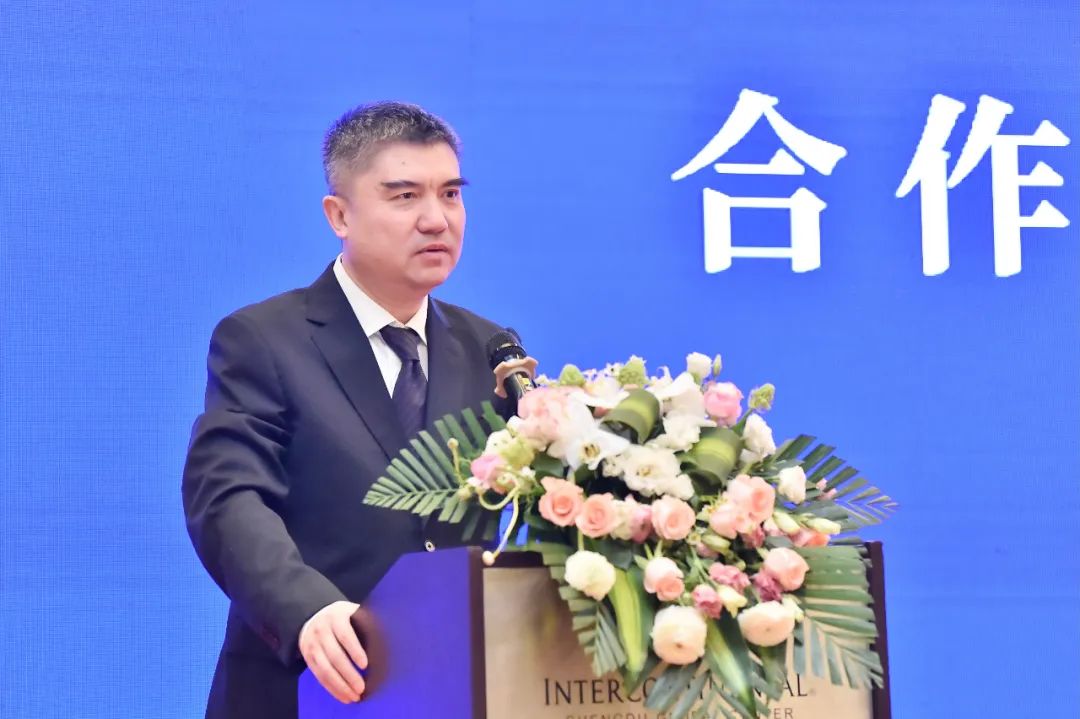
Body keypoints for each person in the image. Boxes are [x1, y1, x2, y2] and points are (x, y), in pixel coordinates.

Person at [182, 101, 524, 719]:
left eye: (450, 194)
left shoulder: (489, 348)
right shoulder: (264, 339)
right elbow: (228, 498)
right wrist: (307, 608)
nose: (436, 219)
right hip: (307, 687)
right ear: (339, 214)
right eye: (405, 196)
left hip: (456, 690)